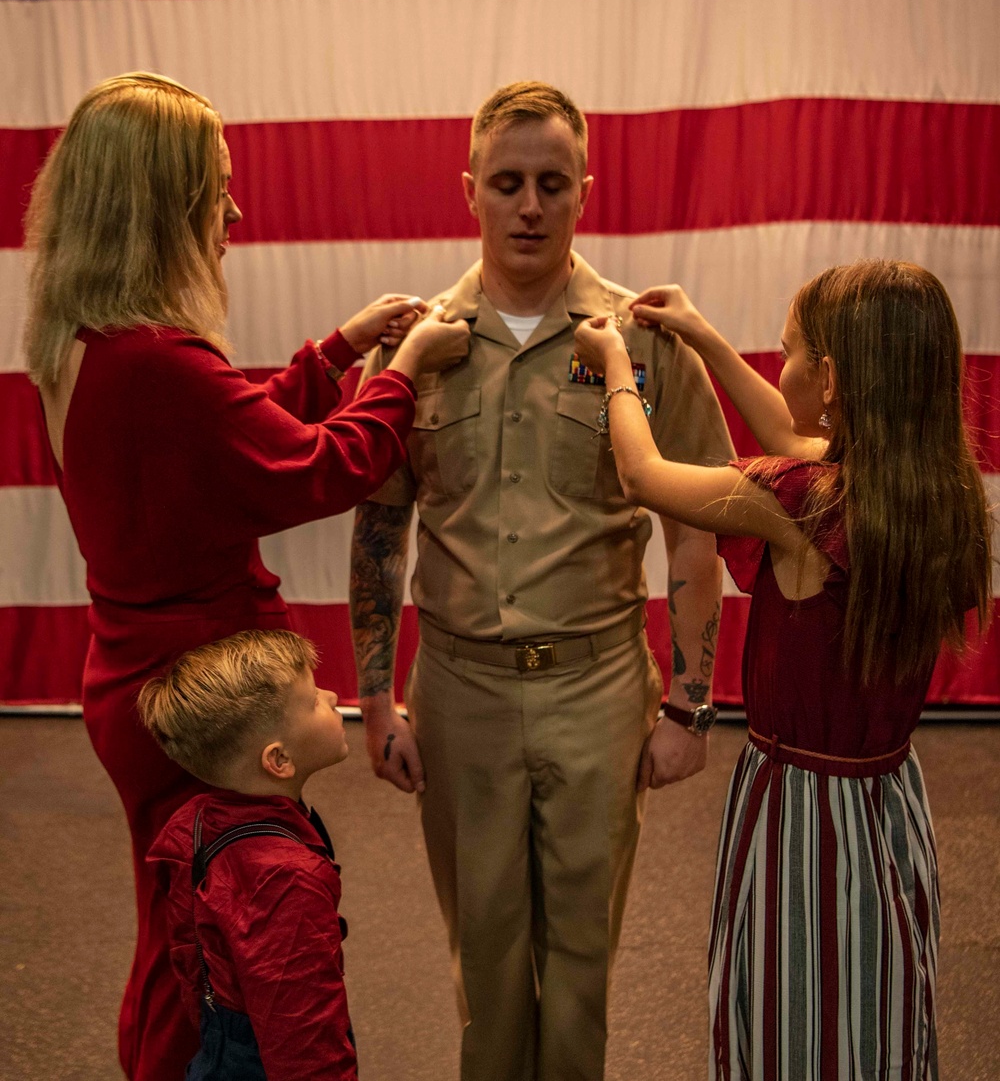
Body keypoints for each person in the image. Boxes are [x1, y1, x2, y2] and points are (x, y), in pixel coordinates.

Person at [21, 71, 469, 1081]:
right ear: (161, 206)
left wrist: (338, 352)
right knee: (212, 946)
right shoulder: (159, 362)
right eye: (214, 191)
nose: (233, 213)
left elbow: (225, 435)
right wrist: (404, 375)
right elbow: (311, 468)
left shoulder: (89, 343)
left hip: (137, 673)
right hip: (197, 696)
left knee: (178, 926)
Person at [349, 80, 734, 1080]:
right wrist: (376, 697)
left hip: (596, 693)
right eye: (508, 182)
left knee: (579, 969)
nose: (529, 205)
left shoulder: (644, 343)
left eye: (551, 183)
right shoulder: (413, 345)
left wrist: (689, 708)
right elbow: (382, 528)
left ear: (583, 192)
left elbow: (697, 536)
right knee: (484, 963)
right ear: (468, 187)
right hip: (461, 694)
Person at [572, 260, 993, 1081]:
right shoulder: (927, 489)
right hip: (886, 801)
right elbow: (792, 436)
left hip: (800, 813)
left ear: (830, 378)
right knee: (874, 1000)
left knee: (789, 1005)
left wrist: (616, 369)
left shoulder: (801, 498)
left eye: (791, 350)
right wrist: (706, 336)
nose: (781, 363)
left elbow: (643, 474)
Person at [141, 629, 358, 1081]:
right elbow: (303, 1038)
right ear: (278, 760)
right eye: (313, 700)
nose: (333, 696)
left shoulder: (193, 823)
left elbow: (190, 962)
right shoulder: (284, 881)